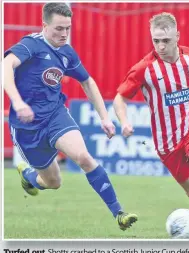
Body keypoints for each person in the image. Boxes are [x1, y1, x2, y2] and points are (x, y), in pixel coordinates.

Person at [3, 2, 137, 231]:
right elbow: (5, 66)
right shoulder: (30, 45)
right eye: (58, 28)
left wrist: (104, 117)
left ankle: (119, 213)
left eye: (67, 28)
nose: (64, 34)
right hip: (27, 129)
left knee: (84, 157)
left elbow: (87, 80)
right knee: (54, 182)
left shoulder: (66, 51)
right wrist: (17, 101)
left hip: (56, 116)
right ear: (45, 26)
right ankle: (29, 176)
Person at [113, 12, 189, 238]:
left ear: (177, 36)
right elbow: (119, 98)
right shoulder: (144, 68)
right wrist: (124, 121)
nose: (160, 46)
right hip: (167, 142)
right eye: (156, 41)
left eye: (166, 40)